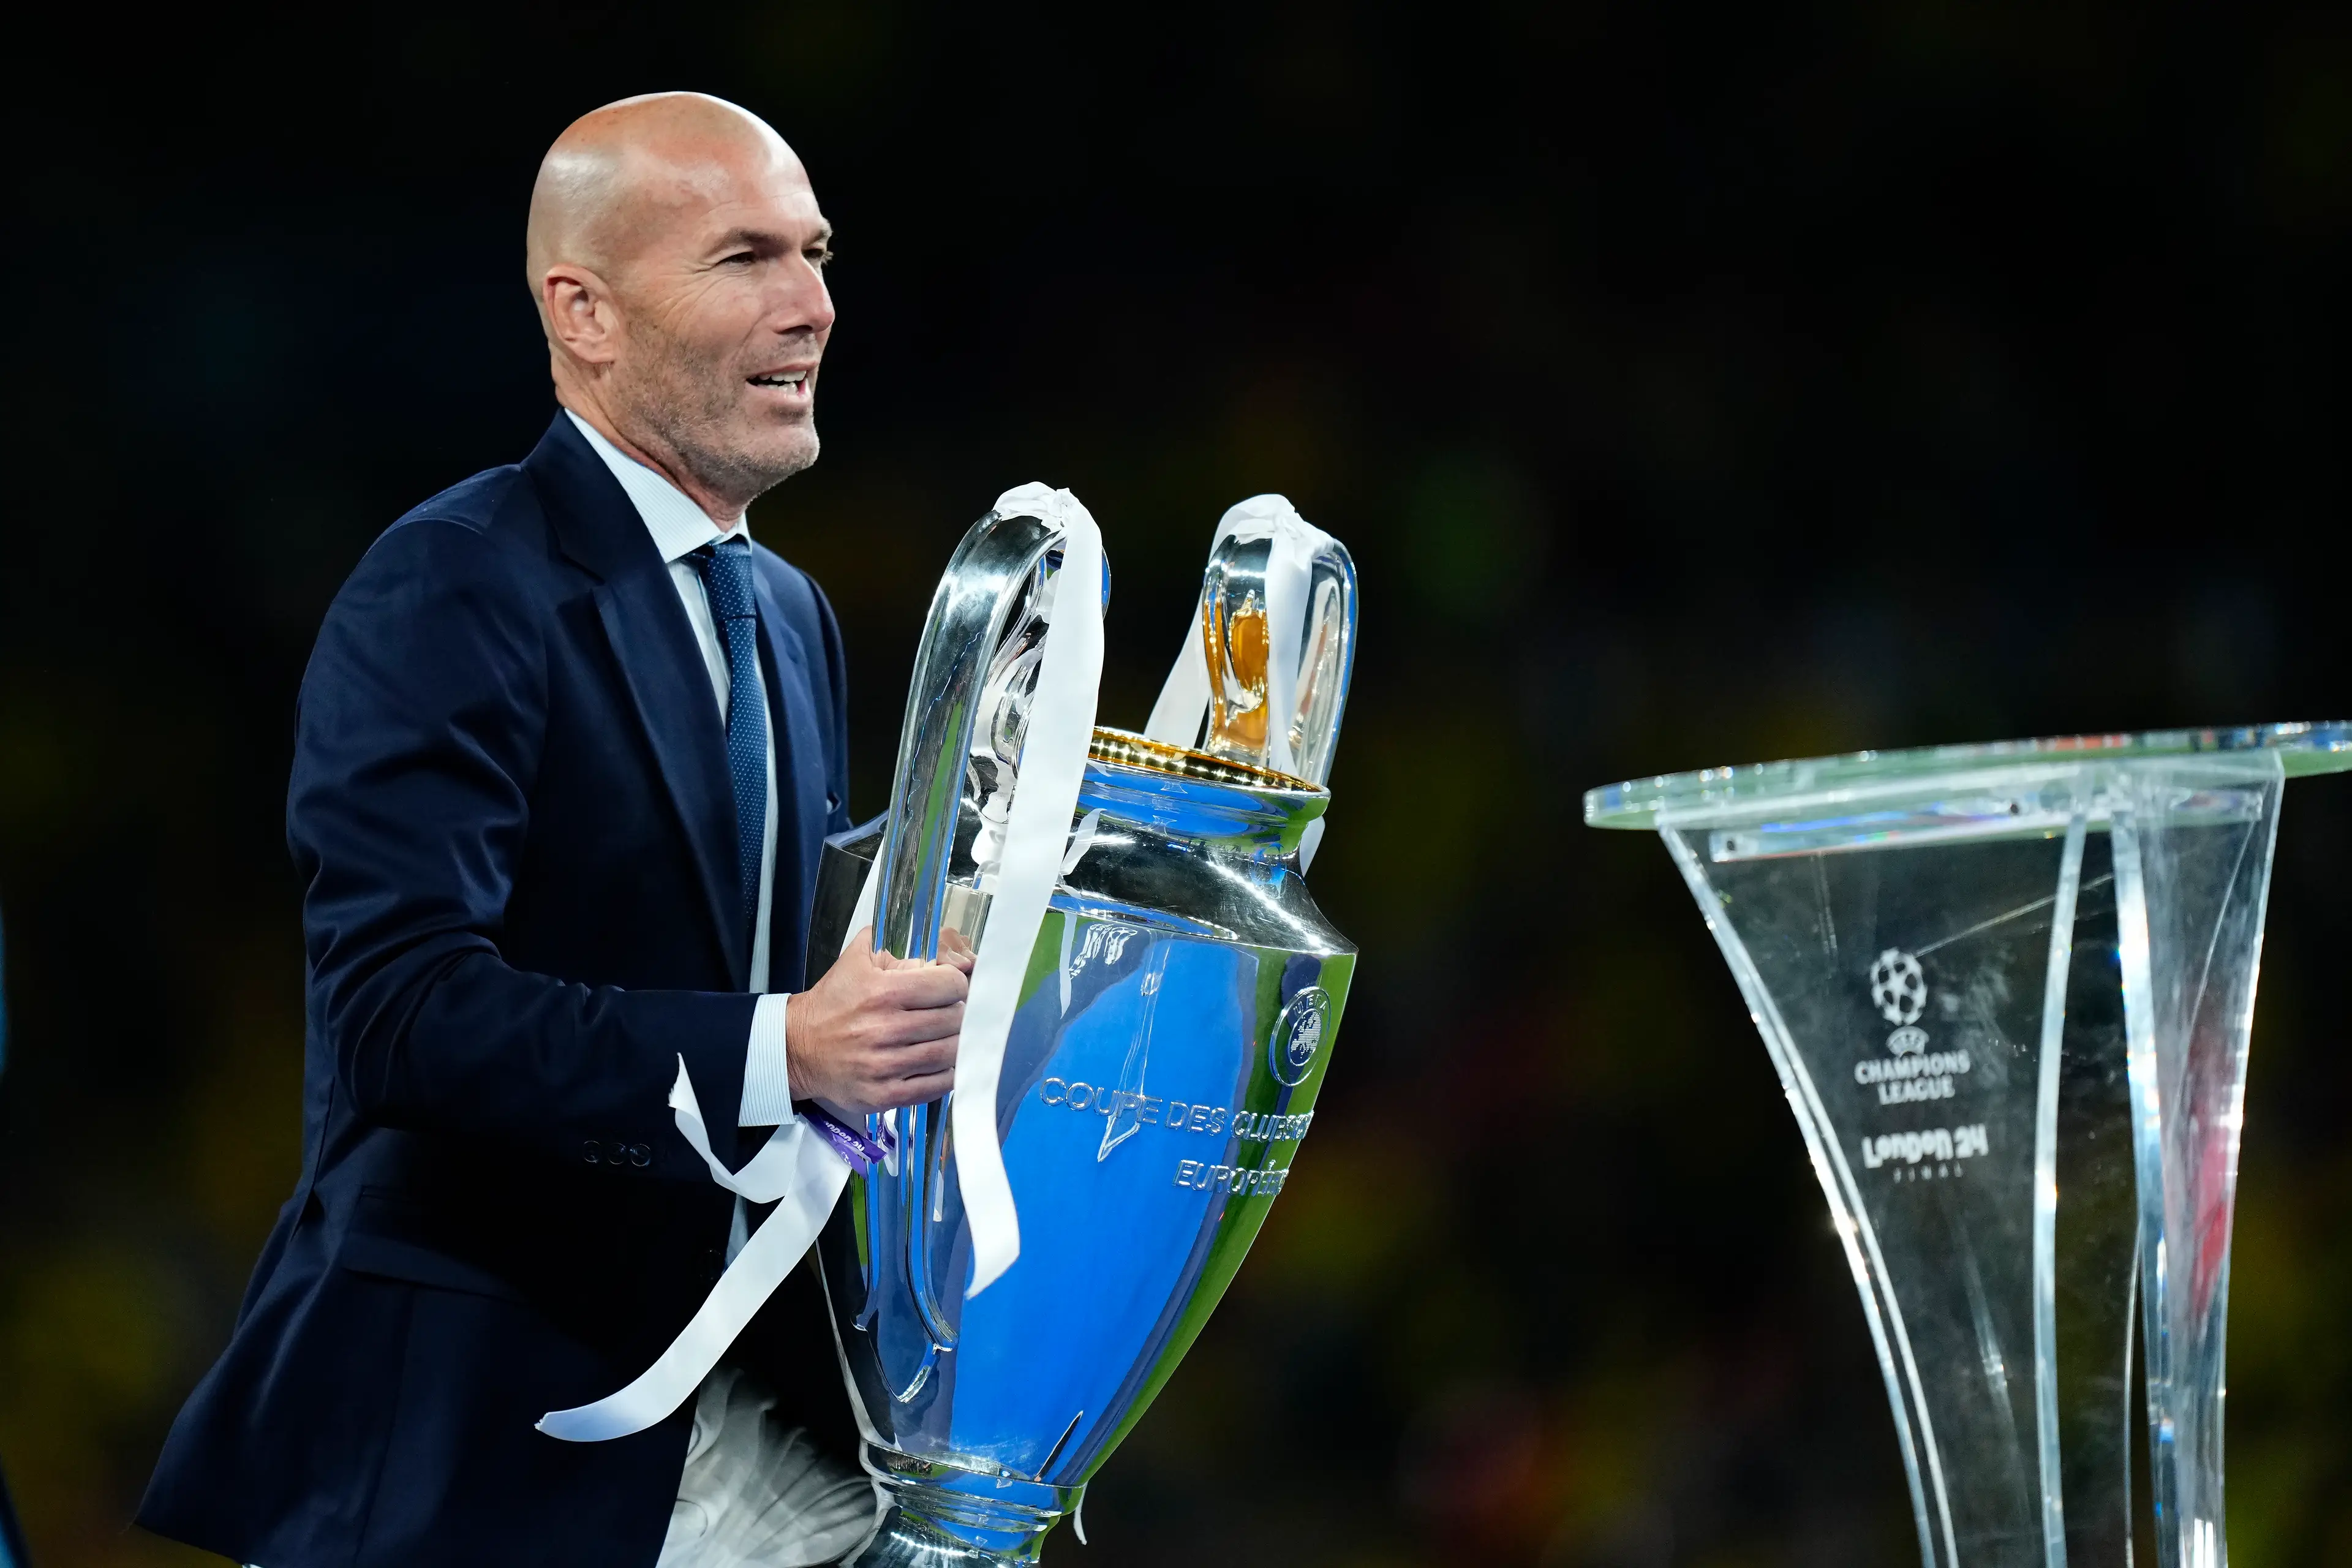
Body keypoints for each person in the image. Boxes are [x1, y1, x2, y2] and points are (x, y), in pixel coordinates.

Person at [138, 92, 970, 1568]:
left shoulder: (785, 612)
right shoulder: (454, 583)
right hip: (477, 1450)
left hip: (738, 1433)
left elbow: (770, 969)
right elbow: (402, 1013)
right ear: (583, 311)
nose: (816, 305)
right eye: (745, 259)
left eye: (818, 251)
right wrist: (788, 1048)